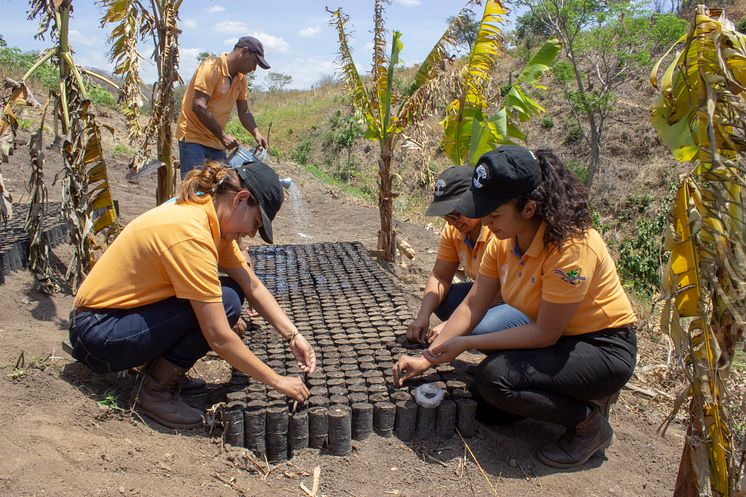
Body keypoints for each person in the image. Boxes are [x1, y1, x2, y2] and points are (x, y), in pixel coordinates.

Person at [394, 146, 637, 469]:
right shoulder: (504, 242)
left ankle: (588, 423)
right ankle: (564, 396)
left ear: (529, 208)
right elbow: (473, 304)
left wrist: (466, 343)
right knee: (487, 408)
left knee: (495, 377)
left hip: (602, 348)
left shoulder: (572, 247)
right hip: (560, 340)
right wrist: (426, 358)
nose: (487, 222)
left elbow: (545, 333)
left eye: (494, 215)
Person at [69, 160, 315, 429]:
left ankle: (160, 370)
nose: (252, 234)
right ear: (241, 199)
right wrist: (277, 381)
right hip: (100, 334)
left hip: (118, 320)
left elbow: (251, 285)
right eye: (256, 223)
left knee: (230, 294)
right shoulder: (192, 234)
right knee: (225, 303)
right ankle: (153, 391)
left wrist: (293, 336)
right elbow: (218, 336)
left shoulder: (209, 219)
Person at [407, 166, 524, 344]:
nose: (452, 223)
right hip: (483, 294)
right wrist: (422, 316)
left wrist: (450, 327)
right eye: (446, 217)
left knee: (479, 328)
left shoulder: (499, 231)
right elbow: (440, 276)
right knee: (442, 302)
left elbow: (497, 292)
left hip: (510, 300)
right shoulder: (453, 231)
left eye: (456, 215)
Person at [176, 36, 271, 179]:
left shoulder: (241, 80)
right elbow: (198, 106)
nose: (254, 68)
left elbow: (244, 112)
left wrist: (256, 133)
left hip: (216, 142)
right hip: (193, 139)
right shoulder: (211, 67)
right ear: (244, 52)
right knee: (195, 190)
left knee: (223, 189)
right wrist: (222, 136)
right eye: (254, 62)